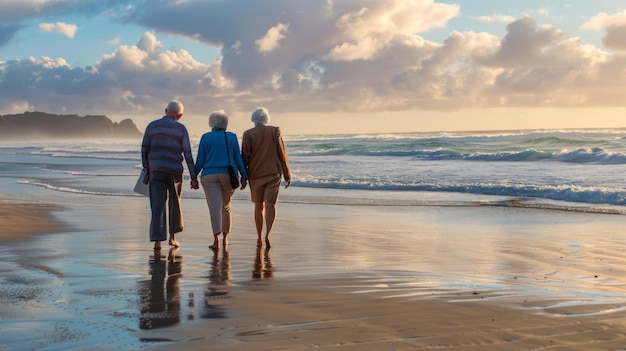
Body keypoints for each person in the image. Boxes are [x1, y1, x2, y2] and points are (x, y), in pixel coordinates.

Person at [141, 100, 199, 250]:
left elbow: (144, 148)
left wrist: (146, 167)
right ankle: (172, 239)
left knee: (157, 205)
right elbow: (187, 153)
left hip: (156, 170)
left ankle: (157, 242)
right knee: (175, 204)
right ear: (180, 115)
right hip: (174, 172)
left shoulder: (152, 126)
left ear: (166, 110)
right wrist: (193, 177)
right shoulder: (181, 129)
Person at [195, 110, 248, 250]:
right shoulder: (231, 137)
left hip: (209, 176)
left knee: (214, 208)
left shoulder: (205, 137)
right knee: (226, 207)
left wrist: (194, 176)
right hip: (228, 175)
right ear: (226, 124)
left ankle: (216, 241)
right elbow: (238, 158)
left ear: (211, 123)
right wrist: (245, 176)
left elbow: (200, 159)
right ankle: (226, 239)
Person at [241, 107, 291, 249]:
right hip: (273, 173)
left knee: (258, 206)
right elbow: (282, 153)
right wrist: (287, 174)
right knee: (271, 205)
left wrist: (243, 177)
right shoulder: (274, 131)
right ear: (266, 118)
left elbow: (245, 156)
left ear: (253, 119)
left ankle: (258, 237)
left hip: (255, 175)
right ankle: (267, 234)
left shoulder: (248, 134)